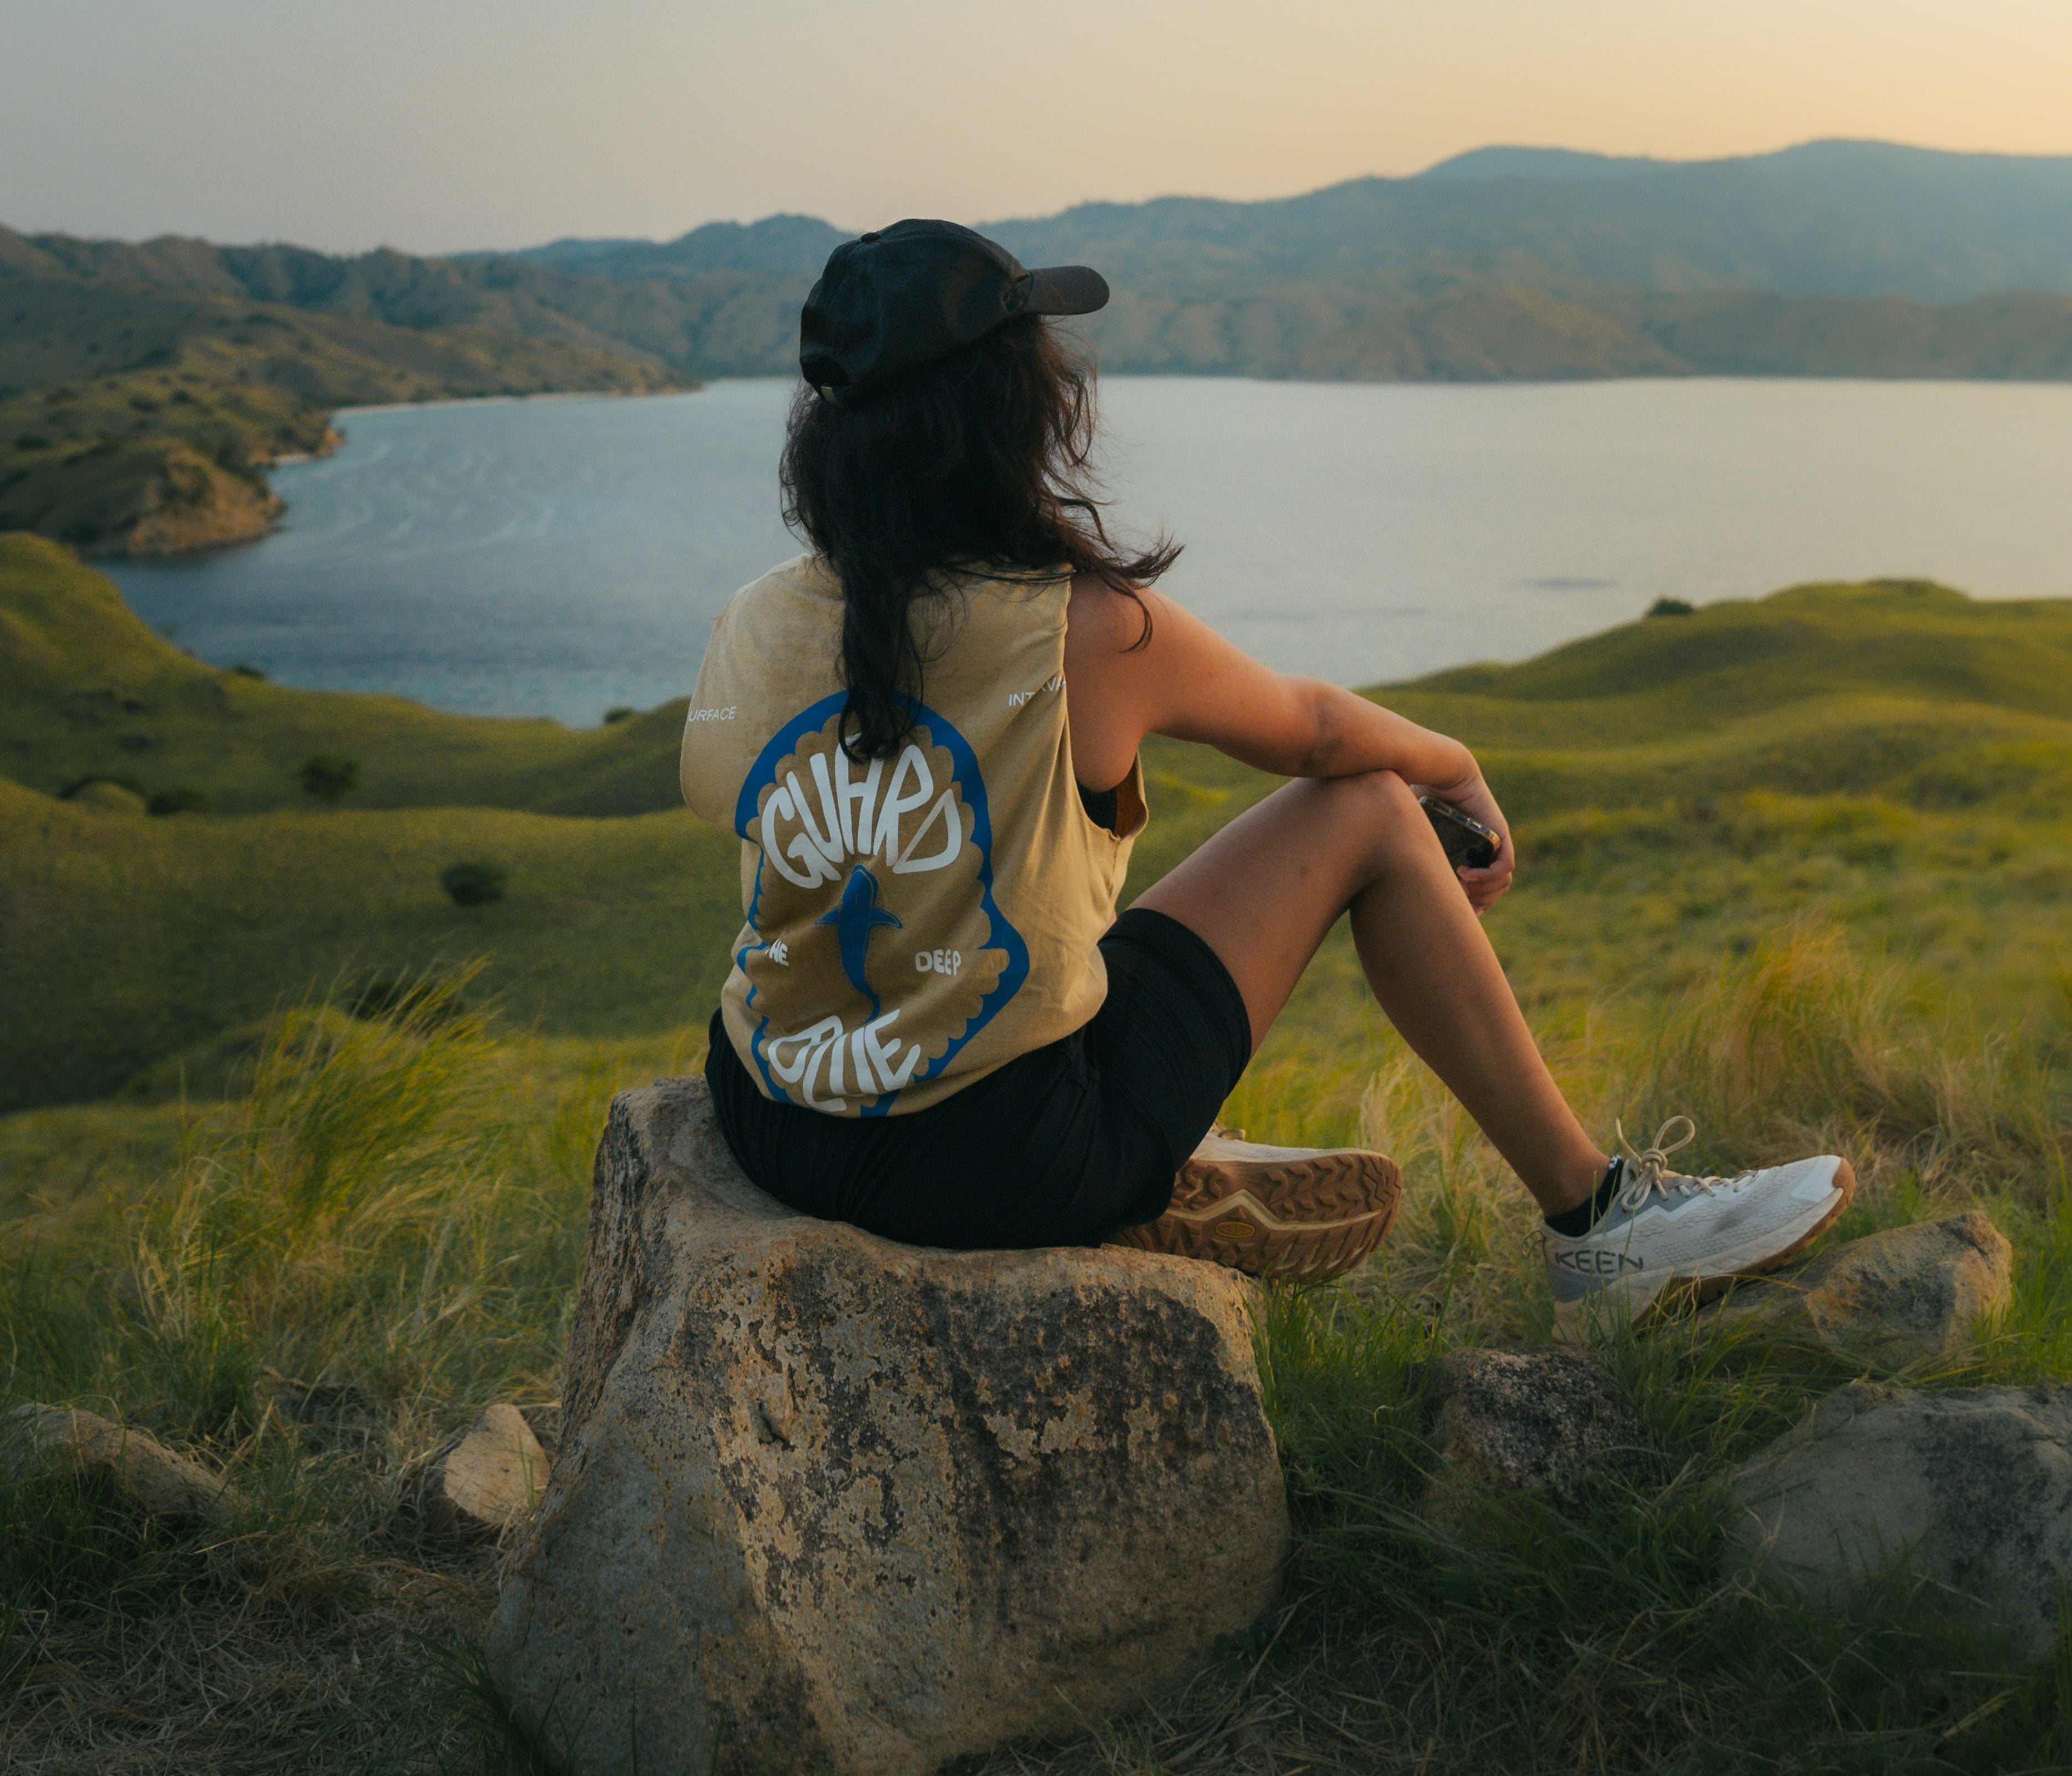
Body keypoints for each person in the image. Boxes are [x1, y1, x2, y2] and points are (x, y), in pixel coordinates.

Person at [680, 220, 1854, 1326]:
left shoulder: (752, 620)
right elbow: (1319, 734)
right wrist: (1454, 763)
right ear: (1008, 410)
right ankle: (1599, 1223)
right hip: (993, 1162)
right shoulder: (1083, 627)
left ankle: (1143, 1147)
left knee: (1030, 928)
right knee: (1373, 808)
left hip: (771, 1118)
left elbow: (736, 800)